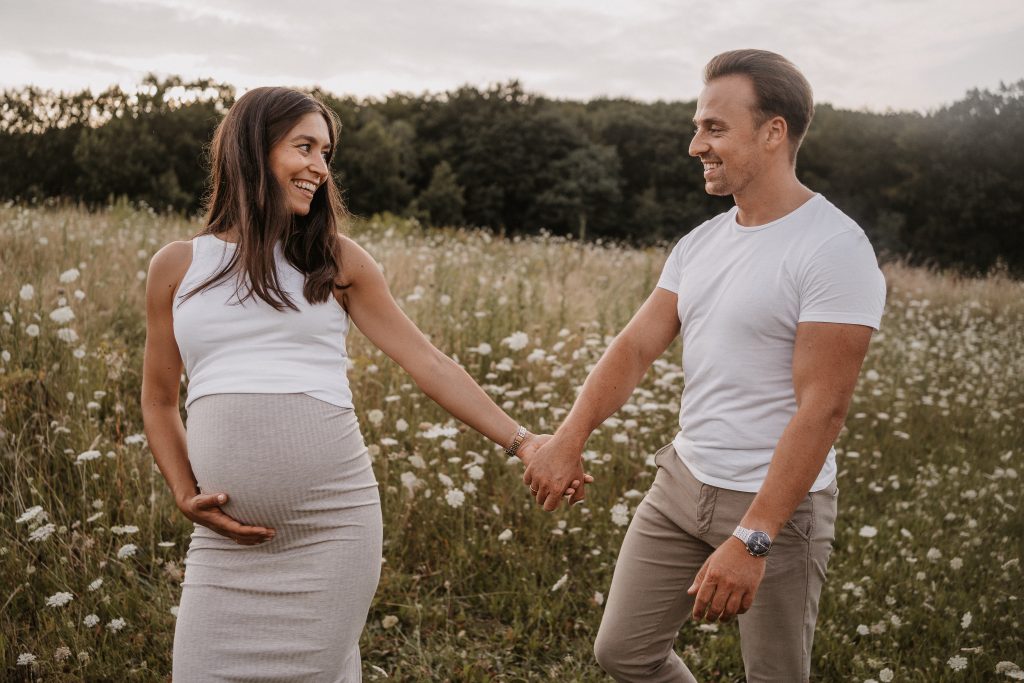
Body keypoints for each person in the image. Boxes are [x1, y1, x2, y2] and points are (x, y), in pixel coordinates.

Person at [140, 87, 579, 681]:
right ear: (251, 149)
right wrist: (181, 490)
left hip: (332, 532)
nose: (320, 168)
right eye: (304, 147)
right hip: (224, 548)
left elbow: (429, 364)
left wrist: (526, 444)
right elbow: (159, 399)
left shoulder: (335, 261)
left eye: (325, 153)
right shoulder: (178, 266)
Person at [524, 49, 886, 682]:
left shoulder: (834, 248)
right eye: (697, 128)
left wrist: (755, 536)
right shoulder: (700, 243)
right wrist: (569, 437)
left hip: (776, 508)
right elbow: (635, 348)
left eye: (714, 129)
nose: (696, 146)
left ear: (773, 132)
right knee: (624, 652)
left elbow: (823, 408)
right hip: (681, 485)